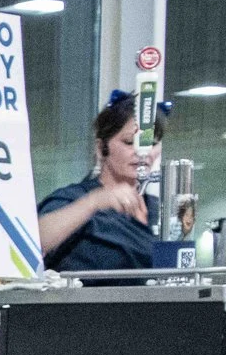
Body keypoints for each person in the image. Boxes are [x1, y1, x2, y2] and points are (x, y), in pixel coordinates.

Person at [37, 92, 162, 273]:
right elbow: (33, 242)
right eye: (129, 142)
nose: (142, 152)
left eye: (151, 143)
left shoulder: (158, 210)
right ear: (101, 147)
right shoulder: (74, 199)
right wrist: (93, 203)